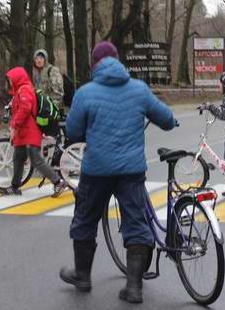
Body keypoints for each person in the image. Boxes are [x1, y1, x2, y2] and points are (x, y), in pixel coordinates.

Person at [59, 41, 177, 304]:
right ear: (118, 61)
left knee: (85, 219)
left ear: (95, 65)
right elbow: (167, 120)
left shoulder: (85, 93)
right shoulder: (139, 89)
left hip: (96, 171)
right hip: (131, 171)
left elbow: (74, 132)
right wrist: (171, 119)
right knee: (136, 223)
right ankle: (134, 288)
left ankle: (82, 275)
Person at [4, 67, 68, 197]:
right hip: (23, 132)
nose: (9, 82)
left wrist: (14, 124)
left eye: (11, 79)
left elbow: (25, 108)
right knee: (18, 158)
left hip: (30, 131)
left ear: (17, 78)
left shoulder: (25, 89)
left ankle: (58, 182)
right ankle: (15, 186)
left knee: (36, 160)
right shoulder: (21, 90)